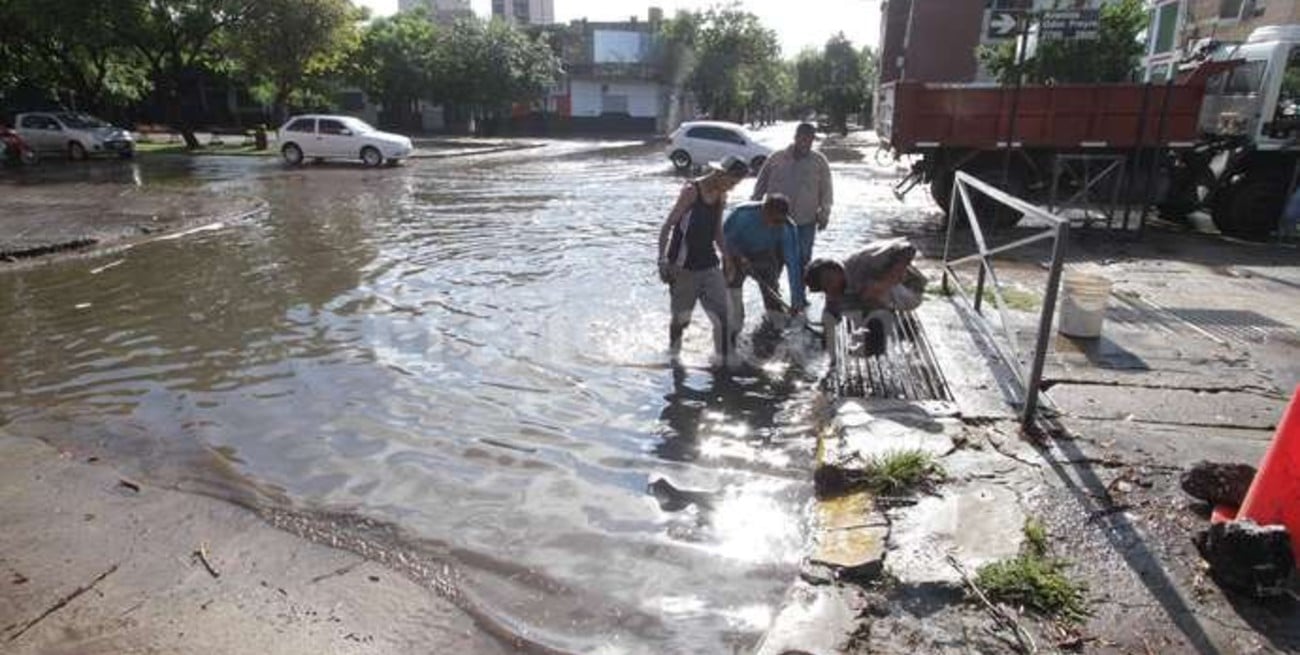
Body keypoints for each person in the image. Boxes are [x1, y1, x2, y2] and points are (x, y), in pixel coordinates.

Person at [658, 155, 750, 361]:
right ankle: (673, 357)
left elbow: (717, 232)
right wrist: (662, 260)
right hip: (682, 266)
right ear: (720, 174)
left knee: (723, 316)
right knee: (681, 321)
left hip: (709, 264)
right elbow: (668, 226)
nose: (732, 187)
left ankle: (723, 359)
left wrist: (727, 258)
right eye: (732, 182)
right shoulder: (691, 191)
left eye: (736, 184)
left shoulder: (721, 196)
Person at [804, 238, 928, 359]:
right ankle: (893, 327)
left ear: (835, 268)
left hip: (910, 289)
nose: (830, 288)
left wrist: (885, 282)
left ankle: (878, 342)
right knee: (844, 306)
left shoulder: (863, 260)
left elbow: (908, 249)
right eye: (825, 288)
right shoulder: (836, 287)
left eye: (829, 281)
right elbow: (830, 313)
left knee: (868, 293)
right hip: (886, 296)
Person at [721, 193, 805, 342]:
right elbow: (724, 239)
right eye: (774, 220)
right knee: (732, 290)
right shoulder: (742, 214)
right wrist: (738, 258)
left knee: (771, 291)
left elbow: (793, 265)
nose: (775, 225)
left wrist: (796, 301)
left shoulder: (788, 228)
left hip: (764, 254)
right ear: (764, 211)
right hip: (734, 254)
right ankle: (732, 329)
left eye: (780, 221)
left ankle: (775, 326)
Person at [752, 122, 834, 269]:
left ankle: (799, 285)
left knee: (803, 262)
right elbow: (760, 185)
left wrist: (824, 214)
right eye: (804, 138)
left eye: (810, 139)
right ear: (795, 137)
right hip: (775, 221)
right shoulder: (776, 158)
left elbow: (826, 190)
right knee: (772, 262)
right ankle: (773, 284)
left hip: (805, 222)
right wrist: (754, 209)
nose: (807, 143)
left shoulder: (819, 161)